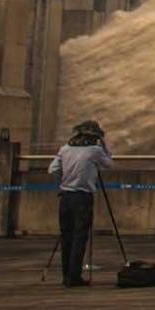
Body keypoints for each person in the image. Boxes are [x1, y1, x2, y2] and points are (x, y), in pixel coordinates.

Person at [47, 120, 113, 287]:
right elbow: (109, 164)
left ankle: (66, 275)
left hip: (65, 196)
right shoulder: (95, 150)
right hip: (82, 197)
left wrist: (68, 173)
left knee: (66, 236)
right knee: (79, 237)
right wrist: (104, 147)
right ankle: (74, 276)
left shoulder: (65, 149)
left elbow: (53, 169)